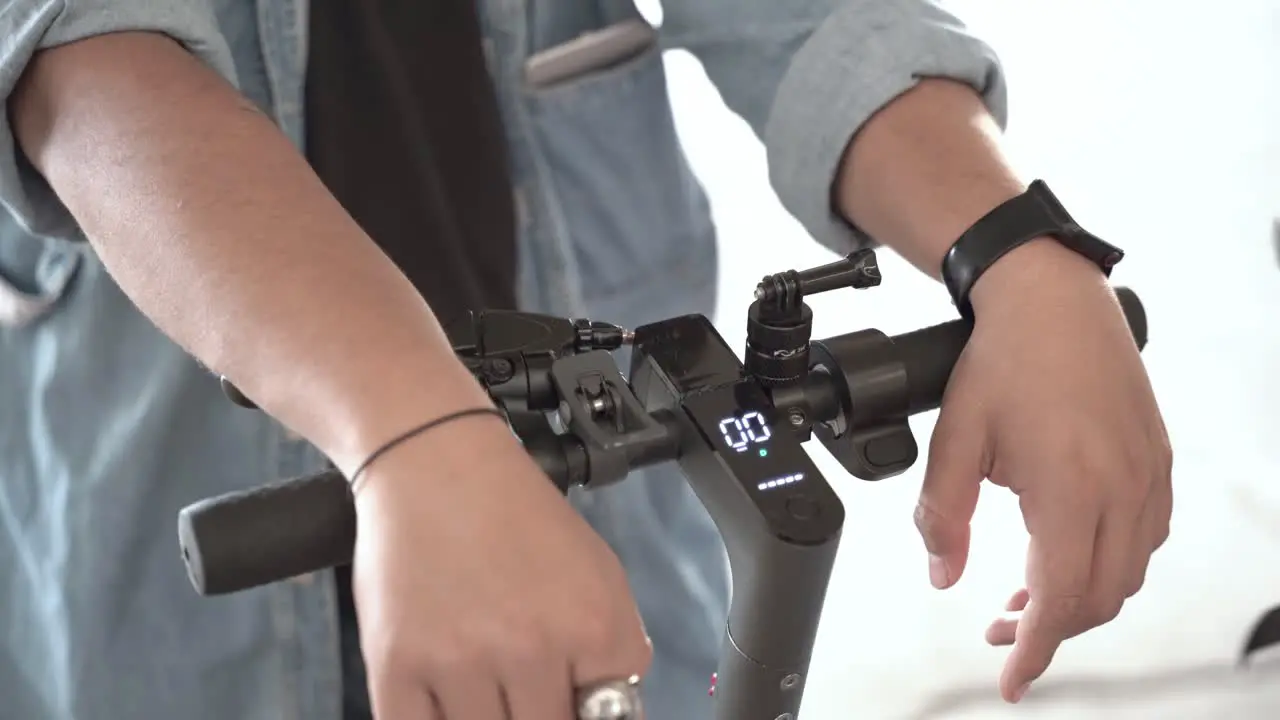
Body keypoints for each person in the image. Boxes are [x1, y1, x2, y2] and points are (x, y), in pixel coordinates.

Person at [0, 0, 1172, 718]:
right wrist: (420, 437)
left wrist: (1017, 254)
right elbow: (86, 67)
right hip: (173, 594)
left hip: (604, 563)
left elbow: (806, 13)